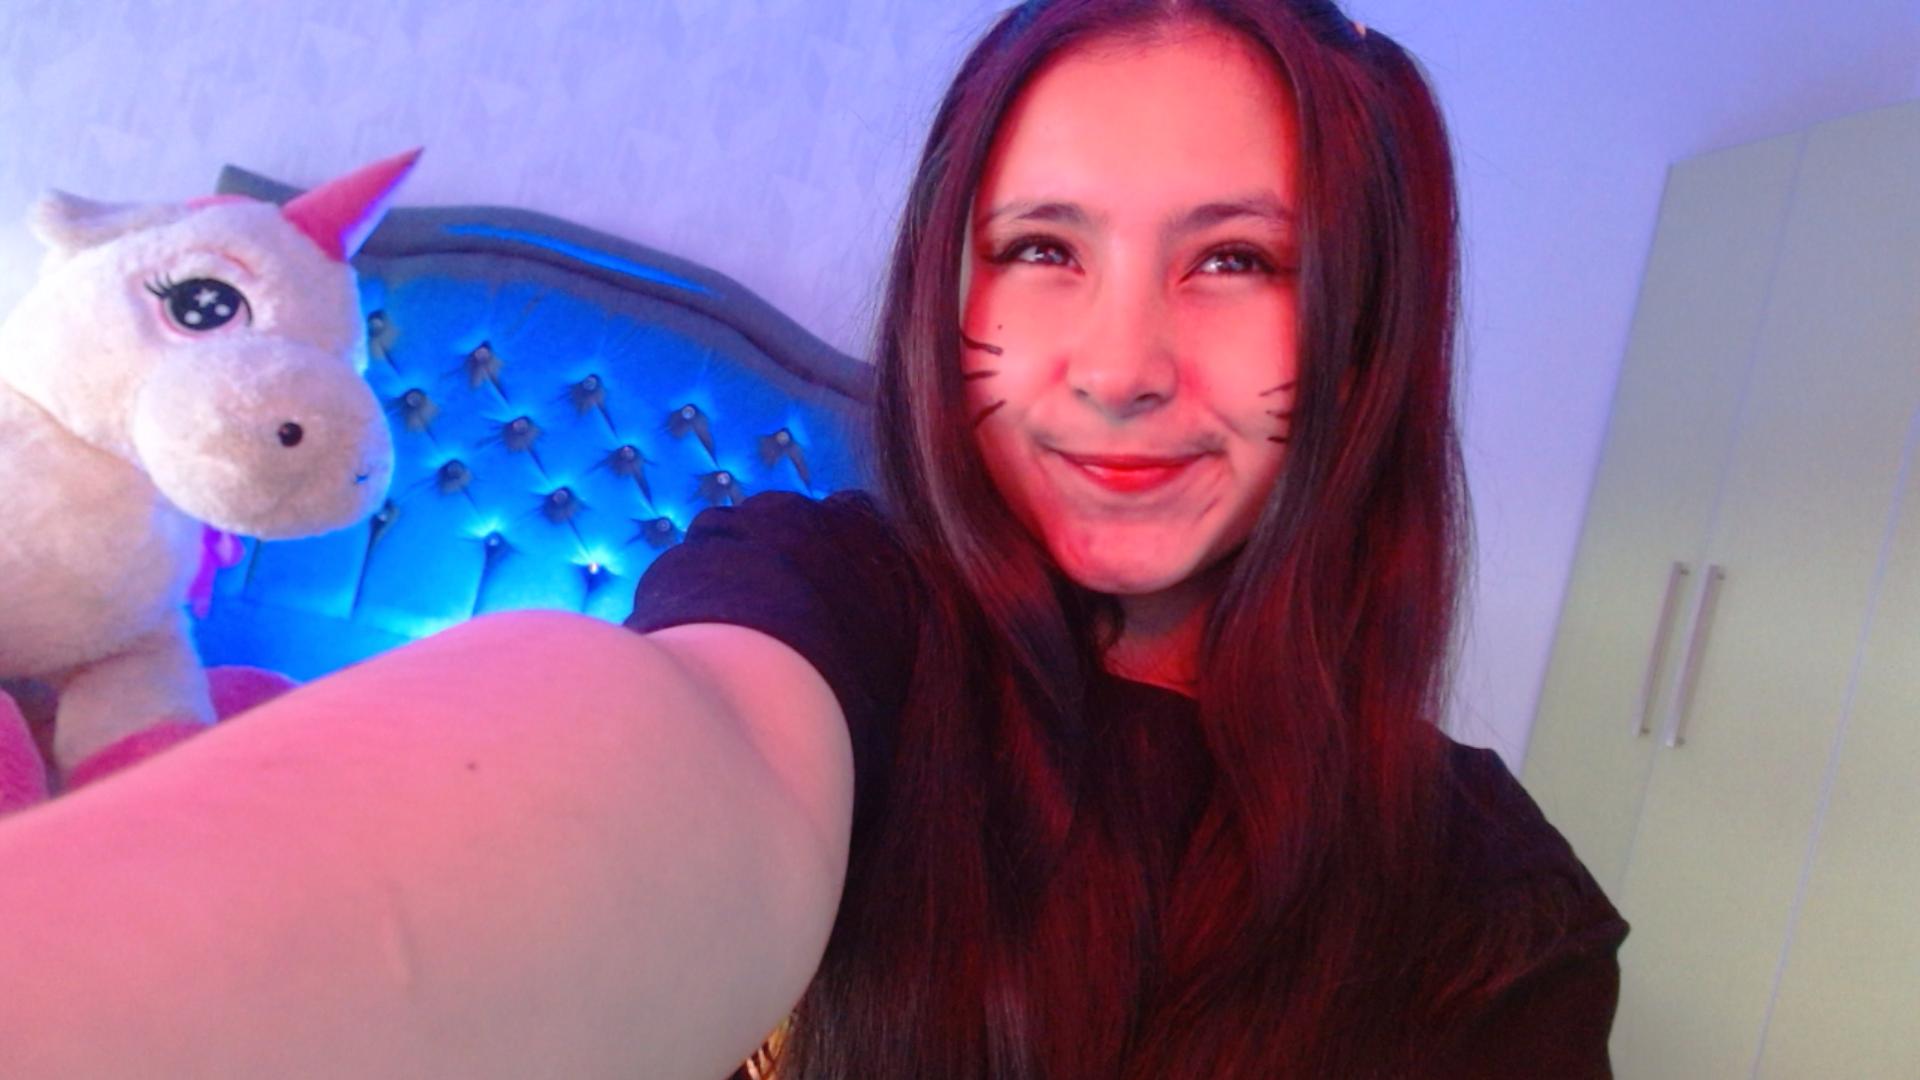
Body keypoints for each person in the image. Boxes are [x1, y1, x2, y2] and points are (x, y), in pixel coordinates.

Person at [0, 1, 1627, 1077]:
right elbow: (675, 753)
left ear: (1363, 336)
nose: (1120, 367)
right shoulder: (829, 600)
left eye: (1236, 262)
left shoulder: (1492, 911)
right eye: (1042, 248)